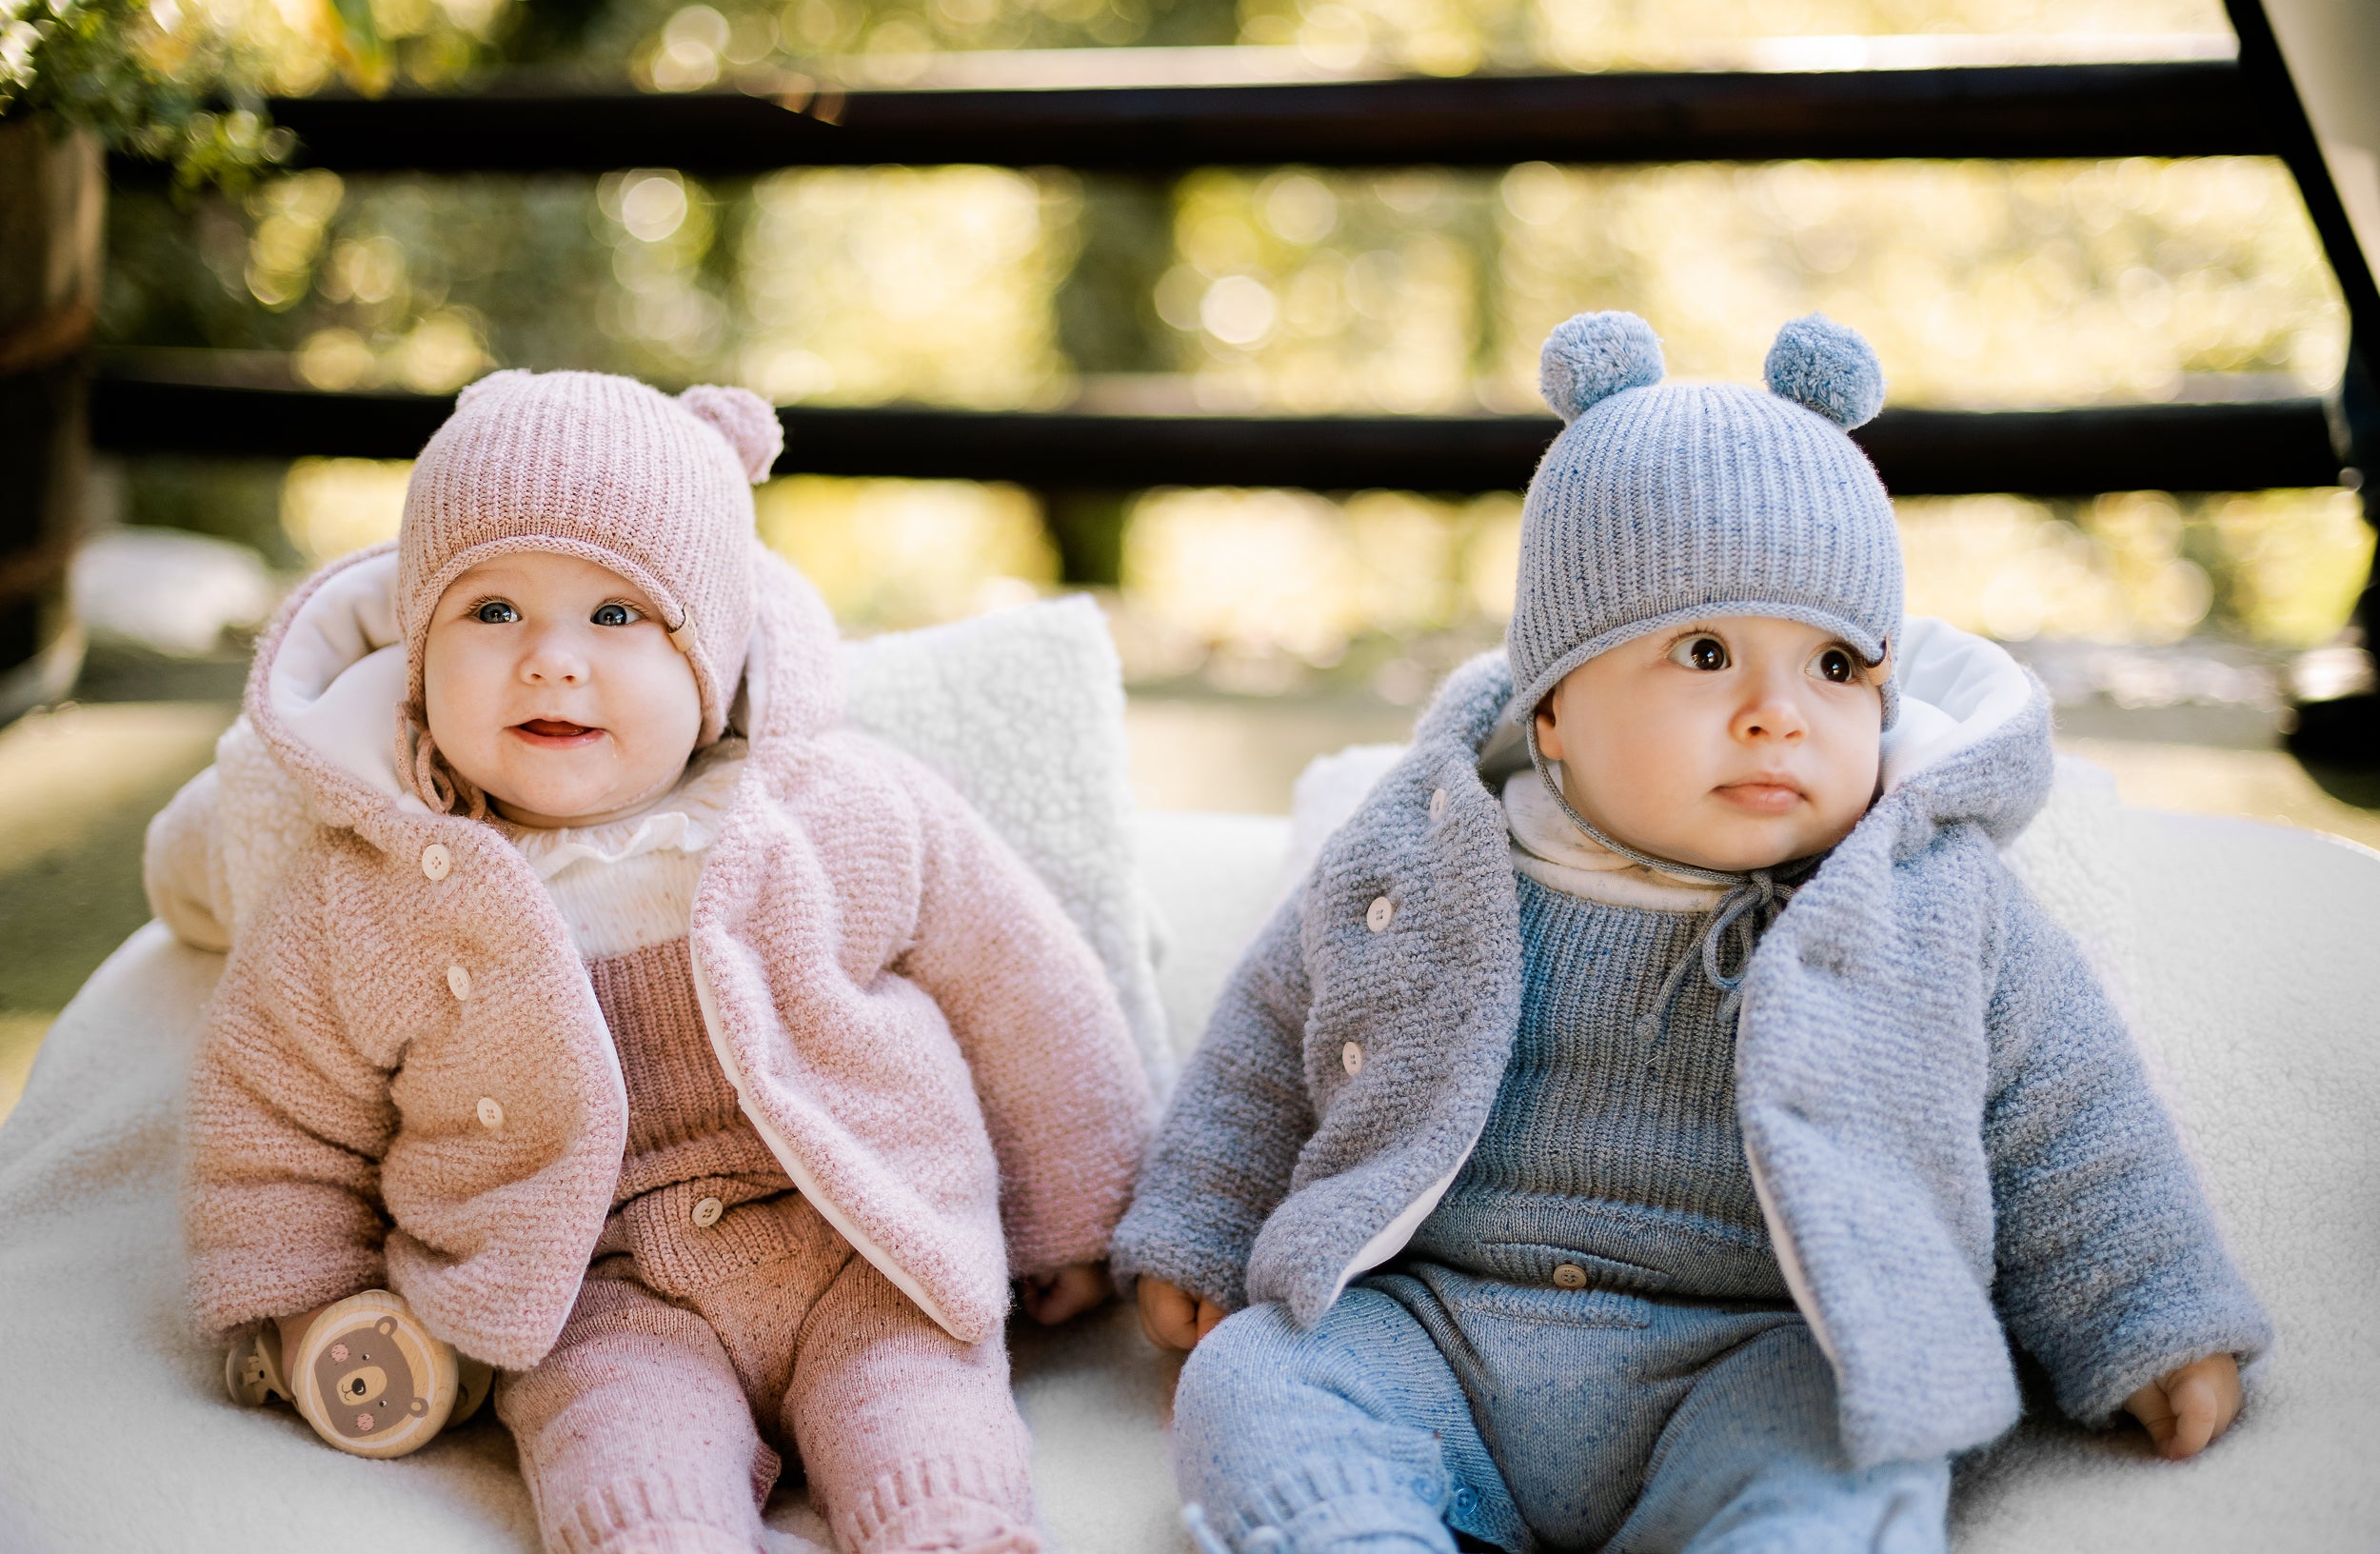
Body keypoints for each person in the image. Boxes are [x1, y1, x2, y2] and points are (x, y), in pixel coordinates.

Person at [1110, 312, 2271, 1554]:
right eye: (1706, 651)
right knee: (1260, 1372)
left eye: (1836, 666)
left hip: (1762, 1343)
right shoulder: (1432, 852)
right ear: (1553, 709)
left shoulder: (1923, 897)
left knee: (1862, 1438)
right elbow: (1273, 1036)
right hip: (1437, 1320)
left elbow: (2066, 1114)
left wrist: (2149, 1316)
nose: (1779, 713)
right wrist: (1204, 1225)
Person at [168, 369, 1155, 1554]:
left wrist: (1077, 1216)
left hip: (867, 1233)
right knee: (624, 1464)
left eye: (618, 615)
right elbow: (276, 1105)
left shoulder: (832, 809)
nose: (551, 660)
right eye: (492, 611)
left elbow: (1022, 989)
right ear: (418, 654)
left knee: (925, 1428)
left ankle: (949, 1524)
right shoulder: (373, 889)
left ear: (714, 659)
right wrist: (306, 1302)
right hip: (596, 1291)